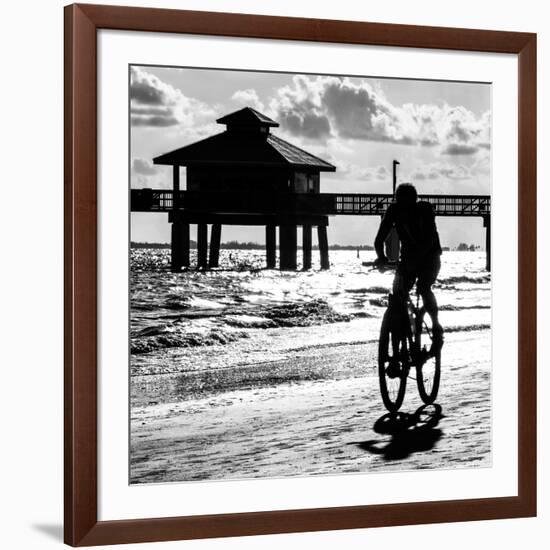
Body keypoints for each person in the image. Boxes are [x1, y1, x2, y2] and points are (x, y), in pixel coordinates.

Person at [374, 183, 444, 355]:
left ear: (414, 201)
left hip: (430, 257)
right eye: (400, 202)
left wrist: (416, 260)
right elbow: (379, 239)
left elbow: (430, 240)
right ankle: (397, 343)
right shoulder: (393, 211)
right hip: (408, 259)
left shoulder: (425, 211)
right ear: (396, 201)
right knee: (397, 295)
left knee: (424, 287)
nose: (403, 207)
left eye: (407, 203)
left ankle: (436, 328)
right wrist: (381, 257)